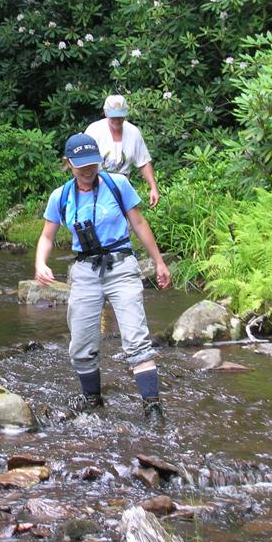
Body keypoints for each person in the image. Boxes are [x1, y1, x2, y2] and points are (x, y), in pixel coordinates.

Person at [34, 133, 171, 422]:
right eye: (81, 165)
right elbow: (47, 236)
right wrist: (40, 262)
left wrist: (159, 262)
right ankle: (93, 399)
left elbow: (139, 223)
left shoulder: (117, 184)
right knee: (82, 343)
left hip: (121, 266)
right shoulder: (61, 196)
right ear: (68, 163)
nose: (88, 170)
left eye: (92, 164)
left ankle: (152, 406)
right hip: (85, 272)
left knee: (136, 338)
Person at [85, 94, 160, 207]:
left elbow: (143, 162)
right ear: (105, 113)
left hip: (123, 186)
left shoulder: (133, 132)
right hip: (96, 184)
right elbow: (83, 163)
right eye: (113, 116)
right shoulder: (94, 131)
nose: (117, 120)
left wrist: (153, 187)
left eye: (120, 116)